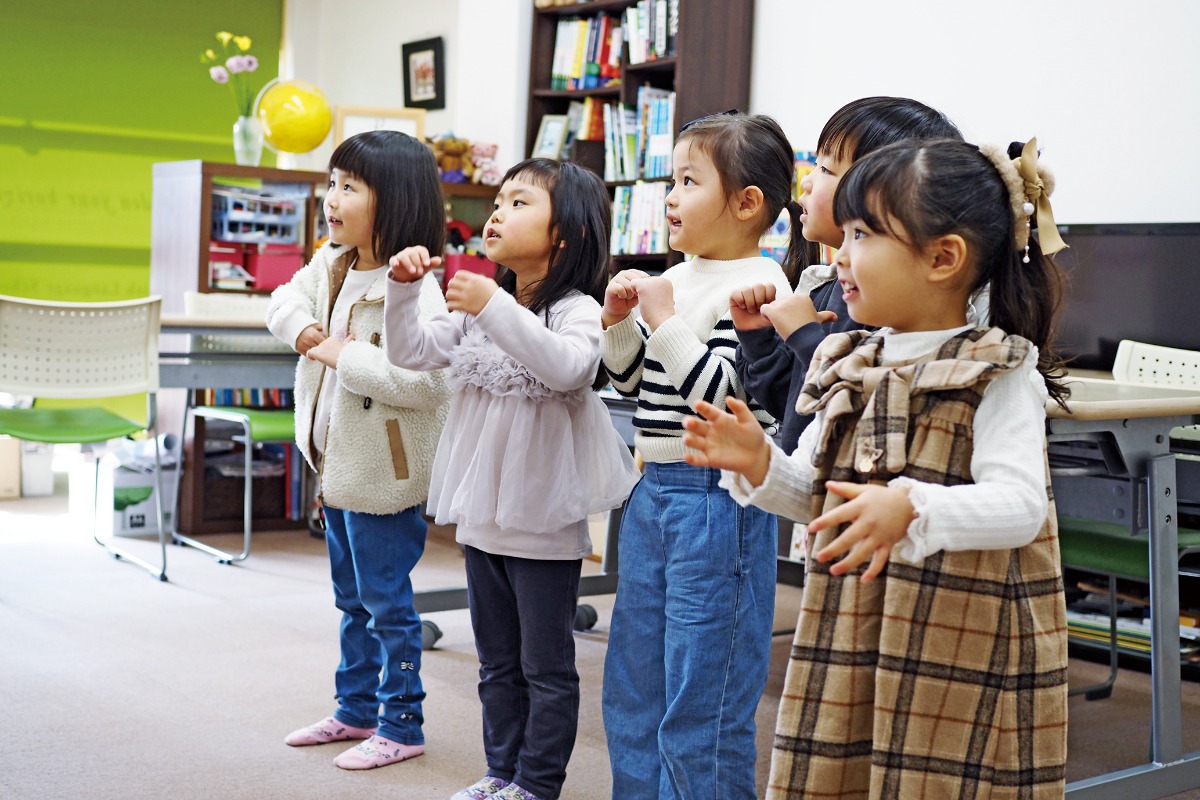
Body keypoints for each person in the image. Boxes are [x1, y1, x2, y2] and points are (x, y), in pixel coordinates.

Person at [682, 137, 1072, 798]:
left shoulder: (997, 370)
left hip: (958, 634)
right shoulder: (847, 362)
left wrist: (911, 507)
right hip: (853, 623)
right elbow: (819, 498)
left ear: (943, 258)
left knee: (938, 775)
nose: (840, 254)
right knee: (846, 766)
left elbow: (1021, 507)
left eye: (862, 235)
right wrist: (761, 465)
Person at [383, 158, 640, 800]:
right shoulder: (479, 307)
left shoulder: (576, 309)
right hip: (484, 512)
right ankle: (500, 771)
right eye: (499, 201)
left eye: (519, 202)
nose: (498, 212)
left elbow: (570, 368)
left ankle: (537, 783)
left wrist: (494, 304)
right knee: (495, 660)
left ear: (566, 235)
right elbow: (410, 352)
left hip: (543, 517)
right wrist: (403, 290)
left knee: (544, 665)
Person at [600, 111, 799, 799]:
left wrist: (660, 318)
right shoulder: (677, 278)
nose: (670, 197)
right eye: (671, 181)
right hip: (653, 489)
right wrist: (618, 324)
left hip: (716, 499)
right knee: (634, 677)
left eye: (689, 181)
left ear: (746, 204)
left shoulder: (760, 287)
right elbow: (633, 385)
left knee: (702, 688)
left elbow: (722, 396)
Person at [267, 130, 451, 771]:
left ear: (392, 200)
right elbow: (283, 300)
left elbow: (429, 385)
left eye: (349, 187)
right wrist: (305, 330)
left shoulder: (417, 287)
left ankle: (402, 723)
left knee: (387, 606)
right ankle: (355, 709)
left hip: (383, 476)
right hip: (337, 467)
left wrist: (342, 356)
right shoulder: (333, 262)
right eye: (331, 184)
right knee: (351, 601)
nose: (331, 199)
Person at [732, 96, 963, 455]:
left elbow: (867, 408)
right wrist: (758, 340)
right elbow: (794, 404)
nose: (807, 182)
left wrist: (807, 338)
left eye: (826, 170)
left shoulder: (896, 304)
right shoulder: (824, 288)